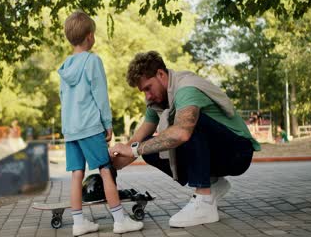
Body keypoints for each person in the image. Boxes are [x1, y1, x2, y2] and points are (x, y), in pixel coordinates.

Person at [109, 51, 261, 228]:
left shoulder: (186, 88)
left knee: (187, 125)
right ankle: (213, 183)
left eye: (148, 88)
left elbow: (182, 132)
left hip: (237, 152)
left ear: (160, 74)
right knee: (149, 149)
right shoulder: (158, 102)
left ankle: (204, 202)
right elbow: (137, 139)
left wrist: (135, 149)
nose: (147, 96)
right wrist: (114, 162)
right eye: (143, 91)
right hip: (218, 153)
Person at [58, 11, 143, 236]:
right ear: (89, 36)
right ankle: (119, 219)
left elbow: (62, 99)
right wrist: (107, 123)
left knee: (77, 174)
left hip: (71, 129)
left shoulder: (65, 67)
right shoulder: (93, 61)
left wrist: (67, 127)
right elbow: (100, 95)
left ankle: (79, 223)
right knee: (106, 170)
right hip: (89, 126)